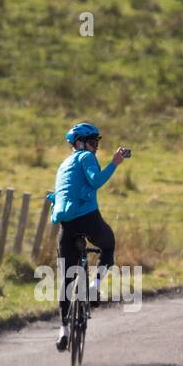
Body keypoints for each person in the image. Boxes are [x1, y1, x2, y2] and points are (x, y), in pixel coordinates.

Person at [48, 122, 129, 352]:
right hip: (87, 218)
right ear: (80, 143)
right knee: (108, 245)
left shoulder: (64, 164)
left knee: (66, 278)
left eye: (96, 143)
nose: (96, 147)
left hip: (66, 224)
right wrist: (114, 163)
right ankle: (93, 286)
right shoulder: (85, 157)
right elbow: (96, 181)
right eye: (93, 142)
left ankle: (63, 331)